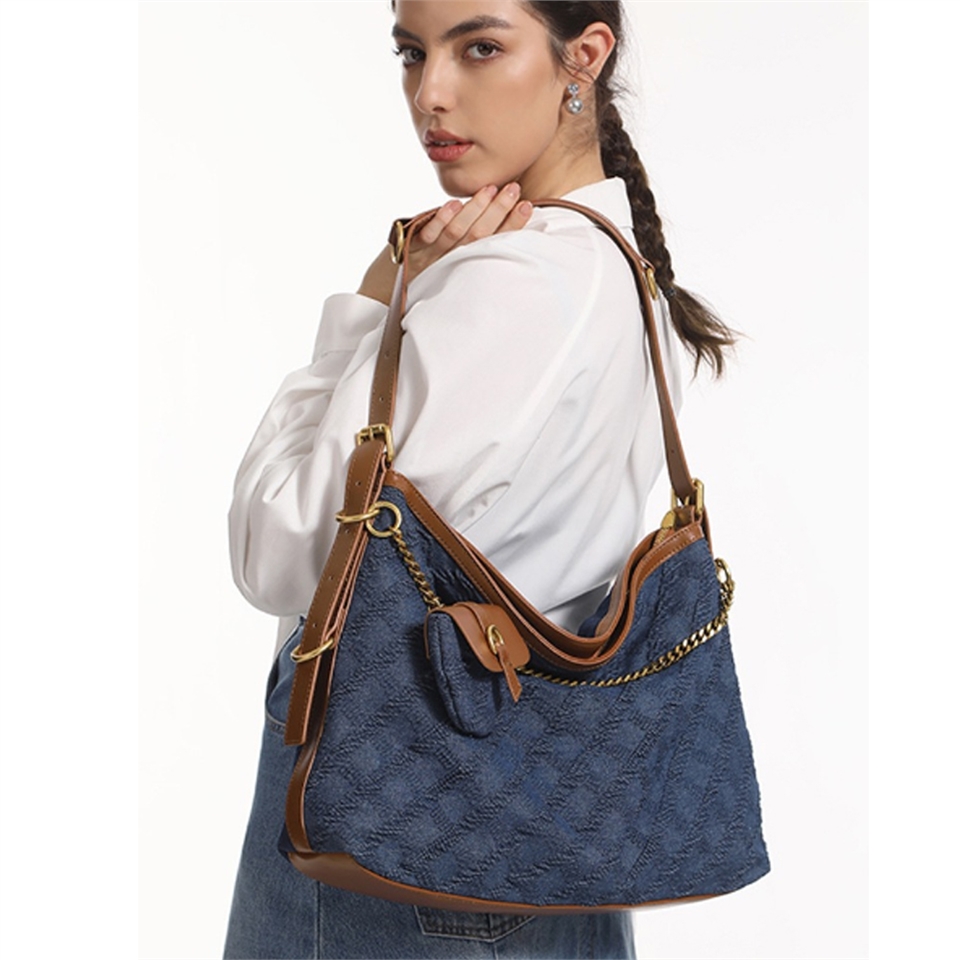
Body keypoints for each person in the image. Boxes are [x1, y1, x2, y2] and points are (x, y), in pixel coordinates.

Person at [223, 2, 735, 957]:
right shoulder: (619, 268)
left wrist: (373, 300)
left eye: (481, 47)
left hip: (409, 852)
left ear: (583, 57)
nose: (432, 93)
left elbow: (277, 551)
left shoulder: (518, 283)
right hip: (547, 833)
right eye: (412, 52)